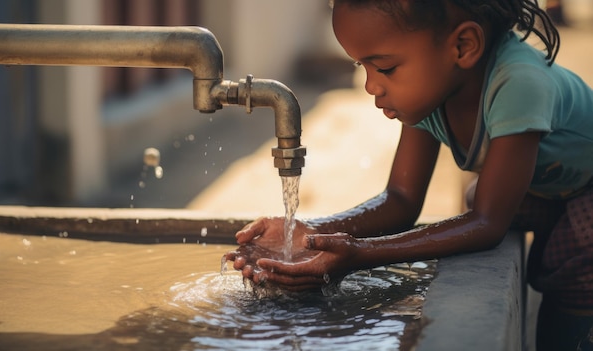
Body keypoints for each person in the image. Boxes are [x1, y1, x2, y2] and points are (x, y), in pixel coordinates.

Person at [224, 0, 593, 349]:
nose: (371, 86)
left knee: (574, 281)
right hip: (552, 187)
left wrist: (360, 254)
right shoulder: (434, 88)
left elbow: (487, 223)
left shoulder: (519, 83)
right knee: (477, 198)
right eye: (361, 66)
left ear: (463, 45)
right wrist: (309, 235)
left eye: (385, 67)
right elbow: (401, 199)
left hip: (587, 191)